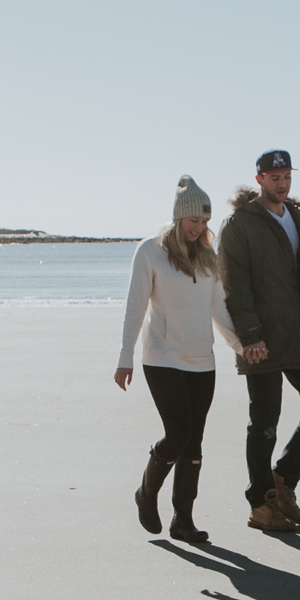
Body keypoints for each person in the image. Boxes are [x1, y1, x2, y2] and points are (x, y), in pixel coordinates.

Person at [115, 176, 241, 543]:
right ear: (177, 217)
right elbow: (135, 306)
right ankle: (146, 491)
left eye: (204, 223)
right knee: (179, 434)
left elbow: (218, 305)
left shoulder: (207, 256)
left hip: (203, 362)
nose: (199, 228)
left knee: (195, 443)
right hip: (163, 358)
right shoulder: (150, 251)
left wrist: (241, 345)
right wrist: (125, 356)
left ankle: (182, 520)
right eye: (193, 222)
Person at [218, 149, 300, 534]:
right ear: (259, 181)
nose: (281, 183)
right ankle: (261, 504)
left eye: (286, 176)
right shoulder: (240, 225)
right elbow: (235, 285)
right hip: (262, 340)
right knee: (264, 422)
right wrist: (249, 336)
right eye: (274, 177)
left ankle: (282, 481)